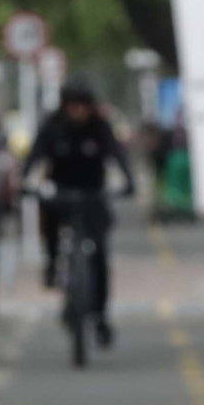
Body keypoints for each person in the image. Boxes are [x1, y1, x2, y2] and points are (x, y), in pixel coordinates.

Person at [22, 78, 135, 344]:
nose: (78, 111)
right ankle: (52, 264)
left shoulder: (100, 127)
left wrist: (129, 182)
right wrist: (25, 181)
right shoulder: (53, 125)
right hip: (62, 193)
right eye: (73, 106)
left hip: (93, 195)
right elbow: (35, 154)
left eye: (83, 106)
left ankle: (101, 315)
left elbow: (117, 154)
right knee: (50, 220)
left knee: (99, 255)